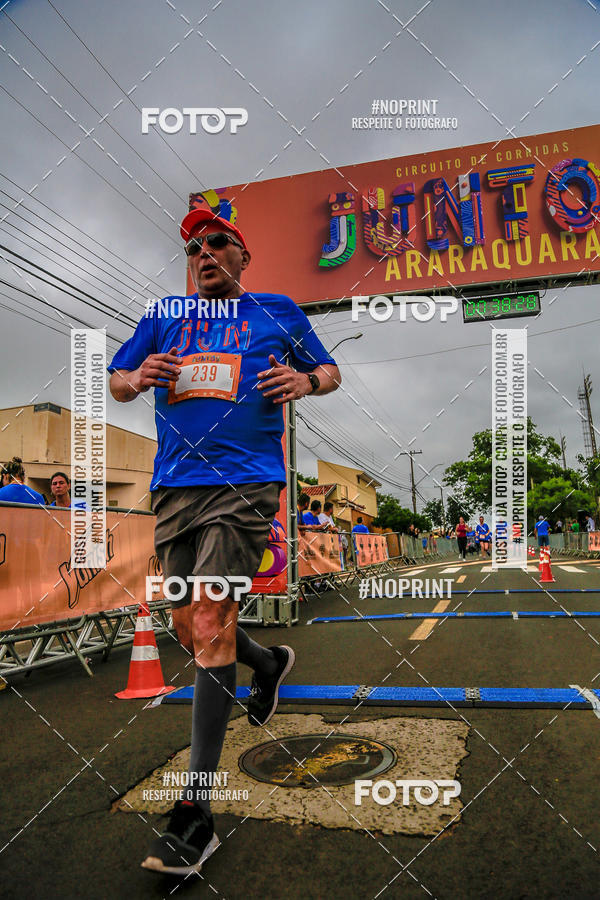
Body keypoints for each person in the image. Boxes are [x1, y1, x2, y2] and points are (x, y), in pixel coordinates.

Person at [108, 209, 340, 876]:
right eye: (193, 247)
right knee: (191, 624)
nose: (203, 252)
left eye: (217, 243)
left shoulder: (277, 311)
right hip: (175, 487)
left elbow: (329, 372)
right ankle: (266, 664)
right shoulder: (164, 315)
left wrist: (302, 381)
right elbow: (120, 383)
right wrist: (138, 375)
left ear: (242, 255)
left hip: (247, 481)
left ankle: (195, 813)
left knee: (209, 613)